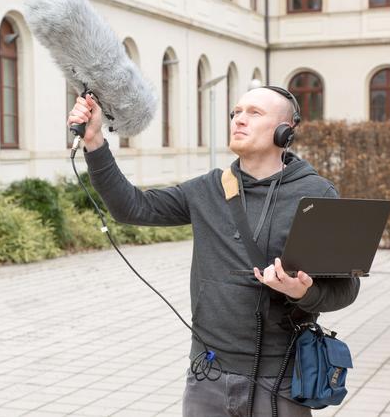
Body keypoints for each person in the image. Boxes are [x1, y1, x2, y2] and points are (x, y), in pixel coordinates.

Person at [67, 86, 360, 416]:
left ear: (285, 130)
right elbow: (132, 208)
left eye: (255, 113)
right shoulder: (208, 188)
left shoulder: (316, 194)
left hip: (281, 380)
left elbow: (346, 288)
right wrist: (94, 142)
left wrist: (303, 292)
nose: (239, 120)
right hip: (207, 376)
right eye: (236, 112)